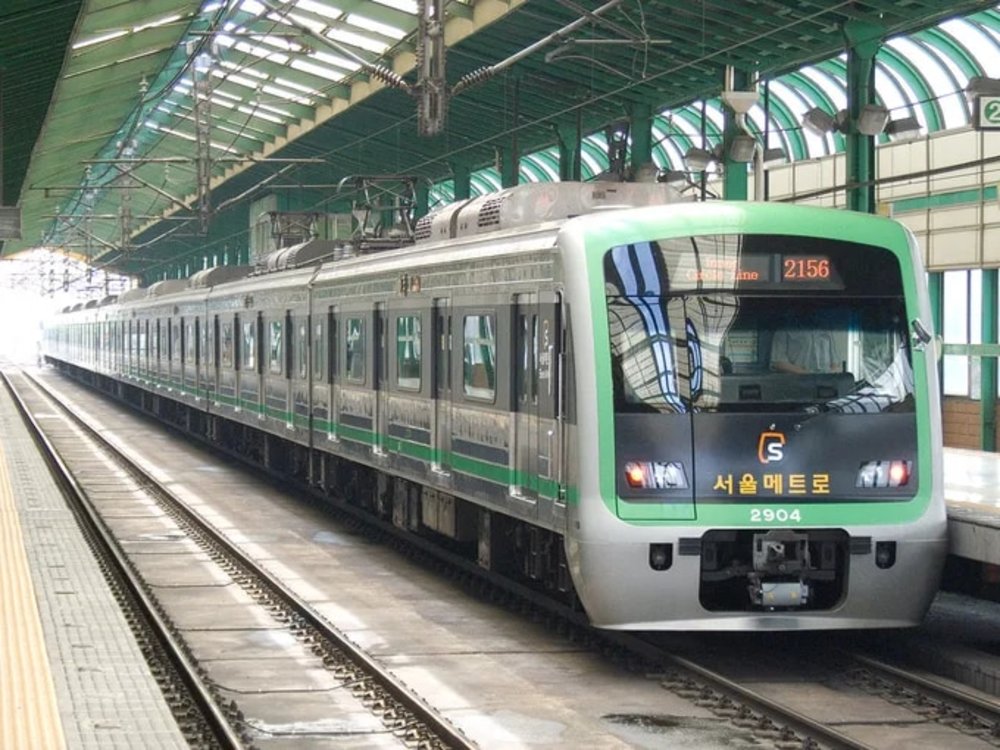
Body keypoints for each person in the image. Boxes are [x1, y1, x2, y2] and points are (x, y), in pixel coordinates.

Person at [770, 322, 839, 374]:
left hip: (825, 384)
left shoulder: (825, 326)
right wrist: (806, 374)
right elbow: (778, 362)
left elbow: (835, 362)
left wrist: (831, 377)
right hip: (798, 382)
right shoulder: (785, 326)